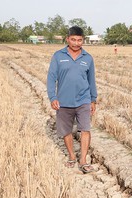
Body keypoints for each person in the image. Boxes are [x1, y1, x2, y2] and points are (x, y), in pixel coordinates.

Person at [47, 26, 98, 174]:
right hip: (63, 101)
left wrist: (93, 100)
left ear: (83, 40)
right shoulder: (58, 56)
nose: (76, 43)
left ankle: (83, 160)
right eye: (73, 39)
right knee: (66, 131)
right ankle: (71, 156)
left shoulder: (88, 58)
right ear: (67, 39)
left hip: (84, 100)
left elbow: (91, 80)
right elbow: (51, 78)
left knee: (85, 129)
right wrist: (53, 97)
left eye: (79, 40)